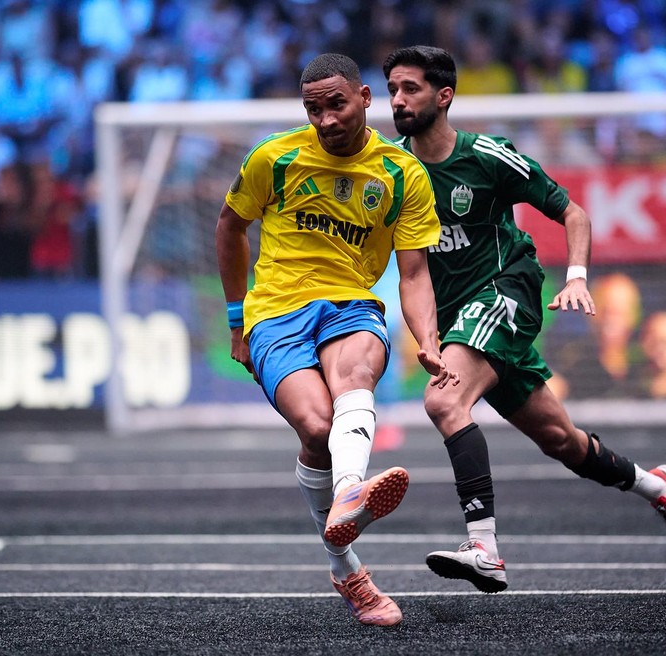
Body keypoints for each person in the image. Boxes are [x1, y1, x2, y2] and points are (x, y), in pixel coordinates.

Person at [381, 45, 666, 593]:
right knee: (562, 442)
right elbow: (410, 269)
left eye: (409, 88)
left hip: (508, 293)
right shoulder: (390, 168)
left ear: (444, 95)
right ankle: (657, 488)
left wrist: (576, 276)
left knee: (442, 400)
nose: (397, 99)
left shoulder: (487, 156)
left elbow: (572, 212)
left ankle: (484, 547)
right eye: (392, 89)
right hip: (464, 320)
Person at [215, 53, 455, 626]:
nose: (325, 119)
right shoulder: (274, 158)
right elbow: (230, 227)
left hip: (350, 304)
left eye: (336, 104)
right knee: (318, 429)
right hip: (276, 312)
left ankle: (350, 490)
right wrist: (235, 320)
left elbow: (415, 273)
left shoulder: (401, 173)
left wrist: (428, 337)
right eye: (313, 108)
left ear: (367, 98)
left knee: (355, 376)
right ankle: (345, 566)